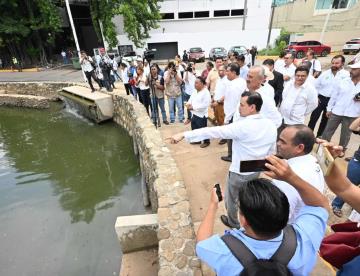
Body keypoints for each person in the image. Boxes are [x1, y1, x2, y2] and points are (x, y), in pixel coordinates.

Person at [195, 155, 329, 276]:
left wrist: (213, 205)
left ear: (244, 220)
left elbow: (202, 242)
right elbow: (321, 205)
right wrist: (290, 177)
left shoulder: (223, 251)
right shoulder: (305, 238)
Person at [171, 92, 277, 228]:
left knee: (231, 199)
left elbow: (213, 132)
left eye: (242, 105)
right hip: (257, 167)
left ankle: (233, 222)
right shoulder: (270, 125)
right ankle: (249, 221)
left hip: (240, 171)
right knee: (249, 197)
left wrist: (184, 134)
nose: (239, 107)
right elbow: (271, 150)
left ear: (252, 107)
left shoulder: (242, 127)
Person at [272, 125, 325, 223]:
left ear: (300, 148)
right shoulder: (312, 161)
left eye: (283, 142)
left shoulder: (287, 178)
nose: (277, 143)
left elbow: (276, 219)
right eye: (279, 139)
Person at [322, 61, 360, 152]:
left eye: (355, 69)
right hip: (337, 111)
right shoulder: (343, 81)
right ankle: (322, 149)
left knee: (346, 135)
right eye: (351, 69)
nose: (351, 71)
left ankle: (341, 152)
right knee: (327, 132)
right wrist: (329, 108)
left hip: (352, 114)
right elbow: (334, 96)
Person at [308, 55, 350, 137]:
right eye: (333, 63)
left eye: (337, 63)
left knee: (325, 121)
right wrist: (316, 96)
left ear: (342, 63)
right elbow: (315, 85)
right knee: (313, 118)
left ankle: (319, 137)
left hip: (334, 102)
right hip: (321, 99)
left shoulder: (346, 75)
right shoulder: (325, 73)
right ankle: (308, 135)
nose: (334, 65)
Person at [331, 117, 360, 217]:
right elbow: (353, 127)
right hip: (358, 163)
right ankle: (336, 205)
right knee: (348, 185)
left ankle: (355, 209)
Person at [221, 63, 247, 162]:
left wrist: (227, 119)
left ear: (234, 72)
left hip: (233, 114)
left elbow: (232, 103)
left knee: (230, 136)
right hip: (239, 113)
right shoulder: (241, 81)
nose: (226, 73)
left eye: (228, 71)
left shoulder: (233, 86)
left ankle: (231, 155)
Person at [185, 77, 212, 148]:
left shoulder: (206, 93)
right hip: (194, 114)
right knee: (194, 128)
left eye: (197, 83)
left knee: (203, 130)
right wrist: (188, 104)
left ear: (202, 84)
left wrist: (193, 107)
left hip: (201, 115)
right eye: (195, 83)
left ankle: (206, 141)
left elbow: (204, 105)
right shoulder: (195, 91)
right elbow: (191, 99)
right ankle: (197, 140)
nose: (195, 84)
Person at [211, 65, 228, 137]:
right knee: (218, 119)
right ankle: (220, 134)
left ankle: (224, 137)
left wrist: (218, 102)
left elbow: (227, 94)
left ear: (225, 71)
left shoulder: (227, 80)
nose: (219, 72)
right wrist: (212, 99)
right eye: (219, 70)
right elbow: (216, 91)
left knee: (222, 120)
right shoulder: (219, 79)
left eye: (221, 70)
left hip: (221, 104)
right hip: (215, 102)